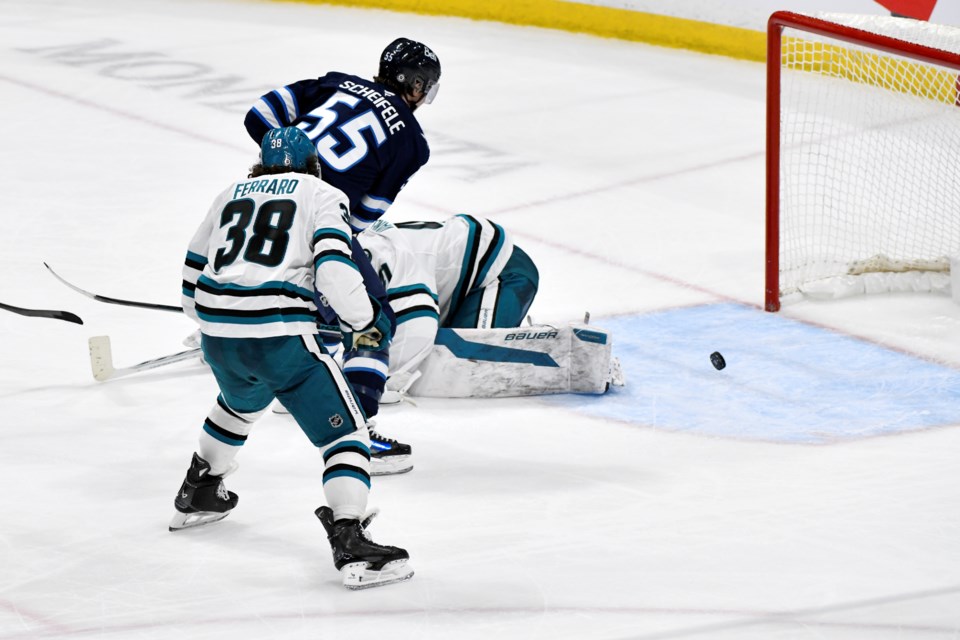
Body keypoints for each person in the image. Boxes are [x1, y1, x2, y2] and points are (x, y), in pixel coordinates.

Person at [170, 127, 413, 591]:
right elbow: (336, 269)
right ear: (313, 165)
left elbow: (190, 278)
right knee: (345, 435)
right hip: (281, 337)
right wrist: (361, 319)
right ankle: (349, 538)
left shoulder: (228, 194)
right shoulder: (322, 192)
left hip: (219, 335)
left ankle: (200, 488)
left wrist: (222, 316)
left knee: (239, 403)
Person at [243, 37, 441, 467]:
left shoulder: (336, 83)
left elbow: (258, 116)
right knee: (371, 322)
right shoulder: (411, 142)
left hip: (255, 207)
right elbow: (364, 214)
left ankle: (288, 379)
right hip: (318, 224)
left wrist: (282, 172)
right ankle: (356, 436)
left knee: (271, 294)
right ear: (416, 85)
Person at [357, 216, 625, 401]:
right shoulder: (351, 253)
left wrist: (377, 379)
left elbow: (420, 321)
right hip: (459, 277)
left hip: (502, 272)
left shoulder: (380, 259)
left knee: (458, 359)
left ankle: (582, 356)